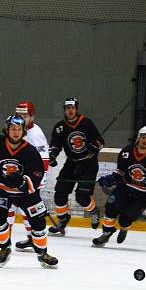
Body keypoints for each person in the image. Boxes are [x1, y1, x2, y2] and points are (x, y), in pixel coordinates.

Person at [0, 115, 57, 268]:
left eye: (19, 129)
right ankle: (4, 248)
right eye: (13, 129)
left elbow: (37, 174)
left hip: (26, 193)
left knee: (39, 223)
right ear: (7, 130)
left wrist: (22, 182)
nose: (16, 132)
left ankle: (42, 253)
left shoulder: (30, 151)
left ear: (23, 132)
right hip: (0, 190)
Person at [0, 101, 51, 252]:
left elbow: (43, 162)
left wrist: (31, 181)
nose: (21, 117)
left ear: (32, 117)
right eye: (18, 114)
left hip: (30, 180)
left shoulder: (35, 134)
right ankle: (7, 240)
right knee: (11, 209)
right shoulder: (19, 130)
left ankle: (28, 239)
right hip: (16, 179)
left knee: (25, 211)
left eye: (25, 115)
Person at [92, 126, 146, 247]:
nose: (145, 140)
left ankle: (124, 227)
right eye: (143, 137)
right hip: (125, 188)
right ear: (138, 138)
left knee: (125, 219)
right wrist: (111, 178)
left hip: (142, 195)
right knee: (111, 207)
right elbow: (120, 171)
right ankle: (106, 233)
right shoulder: (126, 151)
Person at [47, 97, 104, 235]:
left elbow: (101, 142)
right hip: (71, 163)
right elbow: (55, 145)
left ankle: (94, 211)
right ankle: (63, 219)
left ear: (76, 109)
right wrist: (53, 155)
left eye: (72, 108)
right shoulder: (60, 127)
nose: (70, 110)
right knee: (59, 193)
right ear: (64, 110)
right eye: (67, 108)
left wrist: (94, 147)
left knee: (82, 197)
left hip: (88, 164)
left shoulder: (86, 123)